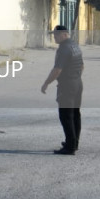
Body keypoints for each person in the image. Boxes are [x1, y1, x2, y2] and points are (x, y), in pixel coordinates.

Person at [41, 25, 84, 155]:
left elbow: (57, 70)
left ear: (64, 34)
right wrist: (75, 77)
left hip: (67, 85)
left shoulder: (64, 49)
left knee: (66, 116)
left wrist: (46, 83)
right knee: (75, 114)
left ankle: (70, 147)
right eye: (54, 35)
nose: (55, 37)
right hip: (77, 83)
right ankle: (74, 142)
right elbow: (82, 66)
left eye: (56, 35)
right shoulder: (75, 46)